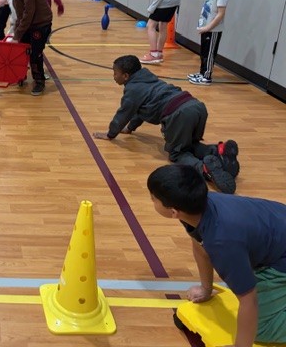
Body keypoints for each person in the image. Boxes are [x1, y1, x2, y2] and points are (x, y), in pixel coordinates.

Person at [147, 164, 286, 346]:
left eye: (153, 199)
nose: (151, 200)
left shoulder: (222, 242)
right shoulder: (200, 206)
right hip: (277, 232)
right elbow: (199, 244)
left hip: (279, 257)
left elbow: (248, 299)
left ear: (173, 211)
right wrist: (206, 289)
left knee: (262, 329)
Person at [92, 55, 239, 194]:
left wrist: (111, 134)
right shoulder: (148, 78)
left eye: (115, 73)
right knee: (188, 145)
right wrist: (130, 128)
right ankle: (218, 151)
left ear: (125, 76)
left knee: (177, 154)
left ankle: (205, 169)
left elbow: (123, 114)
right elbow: (140, 110)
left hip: (180, 114)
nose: (113, 76)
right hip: (197, 107)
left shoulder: (132, 89)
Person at [5, 0, 53, 96]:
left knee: (34, 54)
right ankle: (21, 75)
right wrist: (17, 31)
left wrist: (18, 34)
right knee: (22, 50)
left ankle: (39, 82)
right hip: (29, 23)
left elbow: (28, 13)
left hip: (40, 24)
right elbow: (21, 12)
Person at [188, 0, 235, 86]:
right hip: (206, 28)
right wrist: (202, 25)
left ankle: (207, 76)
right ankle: (202, 72)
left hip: (213, 30)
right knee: (204, 52)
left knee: (209, 54)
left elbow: (220, 14)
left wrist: (208, 27)